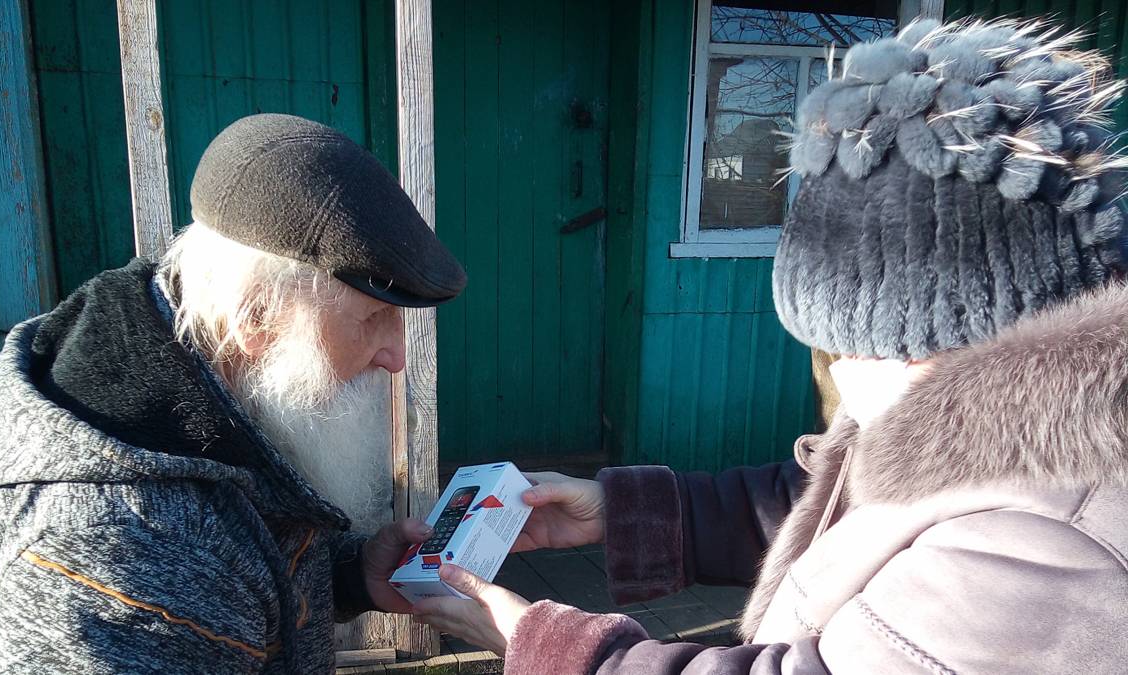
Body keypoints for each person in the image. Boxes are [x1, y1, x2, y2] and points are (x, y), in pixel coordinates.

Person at [411, 18, 1128, 673]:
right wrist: (626, 511)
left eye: (868, 347)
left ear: (967, 341)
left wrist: (565, 652)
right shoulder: (985, 433)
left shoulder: (1053, 546)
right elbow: (845, 510)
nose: (844, 377)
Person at [0, 113, 466, 673]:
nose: (396, 357)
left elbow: (232, 567)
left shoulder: (196, 367)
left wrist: (353, 574)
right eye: (372, 318)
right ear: (255, 316)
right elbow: (196, 574)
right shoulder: (125, 552)